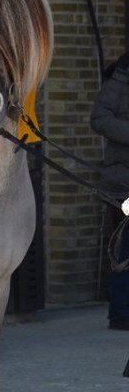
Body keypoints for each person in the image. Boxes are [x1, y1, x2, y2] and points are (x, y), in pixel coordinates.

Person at [91, 52, 129, 330]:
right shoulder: (121, 76)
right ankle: (120, 313)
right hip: (123, 181)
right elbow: (99, 118)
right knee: (125, 248)